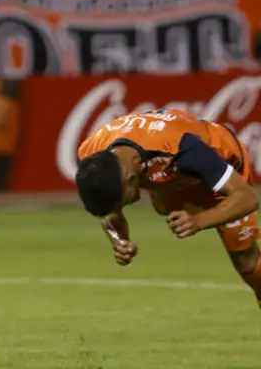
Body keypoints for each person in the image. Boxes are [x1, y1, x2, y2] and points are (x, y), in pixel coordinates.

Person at [75, 108, 261, 308]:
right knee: (164, 206)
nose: (120, 209)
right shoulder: (92, 156)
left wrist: (198, 221)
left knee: (245, 261)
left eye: (122, 203)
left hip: (221, 166)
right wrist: (119, 240)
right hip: (173, 176)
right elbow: (108, 212)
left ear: (130, 178)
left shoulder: (183, 149)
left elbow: (248, 197)